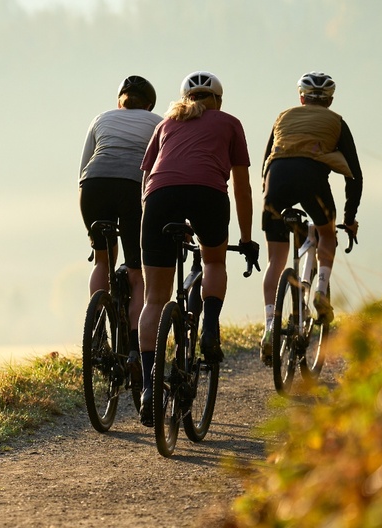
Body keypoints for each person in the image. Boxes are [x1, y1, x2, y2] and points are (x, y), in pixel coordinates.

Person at [137, 70, 259, 426]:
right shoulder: (230, 123)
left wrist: (153, 225)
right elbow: (242, 186)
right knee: (213, 262)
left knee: (153, 301)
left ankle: (149, 389)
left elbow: (146, 180)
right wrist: (248, 238)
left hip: (159, 198)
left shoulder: (166, 123)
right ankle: (209, 325)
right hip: (208, 195)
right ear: (217, 101)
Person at [259, 72, 362, 365]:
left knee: (275, 262)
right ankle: (320, 293)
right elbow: (355, 175)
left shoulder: (283, 116)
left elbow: (267, 159)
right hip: (312, 181)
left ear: (301, 98)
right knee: (327, 234)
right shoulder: (337, 122)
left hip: (275, 183)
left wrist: (268, 197)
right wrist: (350, 217)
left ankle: (269, 327)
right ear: (330, 100)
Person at [78, 75, 163, 367]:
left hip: (93, 186)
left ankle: (97, 331)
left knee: (102, 260)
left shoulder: (101, 118)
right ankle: (136, 346)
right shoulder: (157, 123)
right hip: (132, 188)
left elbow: (83, 167)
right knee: (137, 274)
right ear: (149, 105)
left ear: (120, 100)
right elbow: (160, 168)